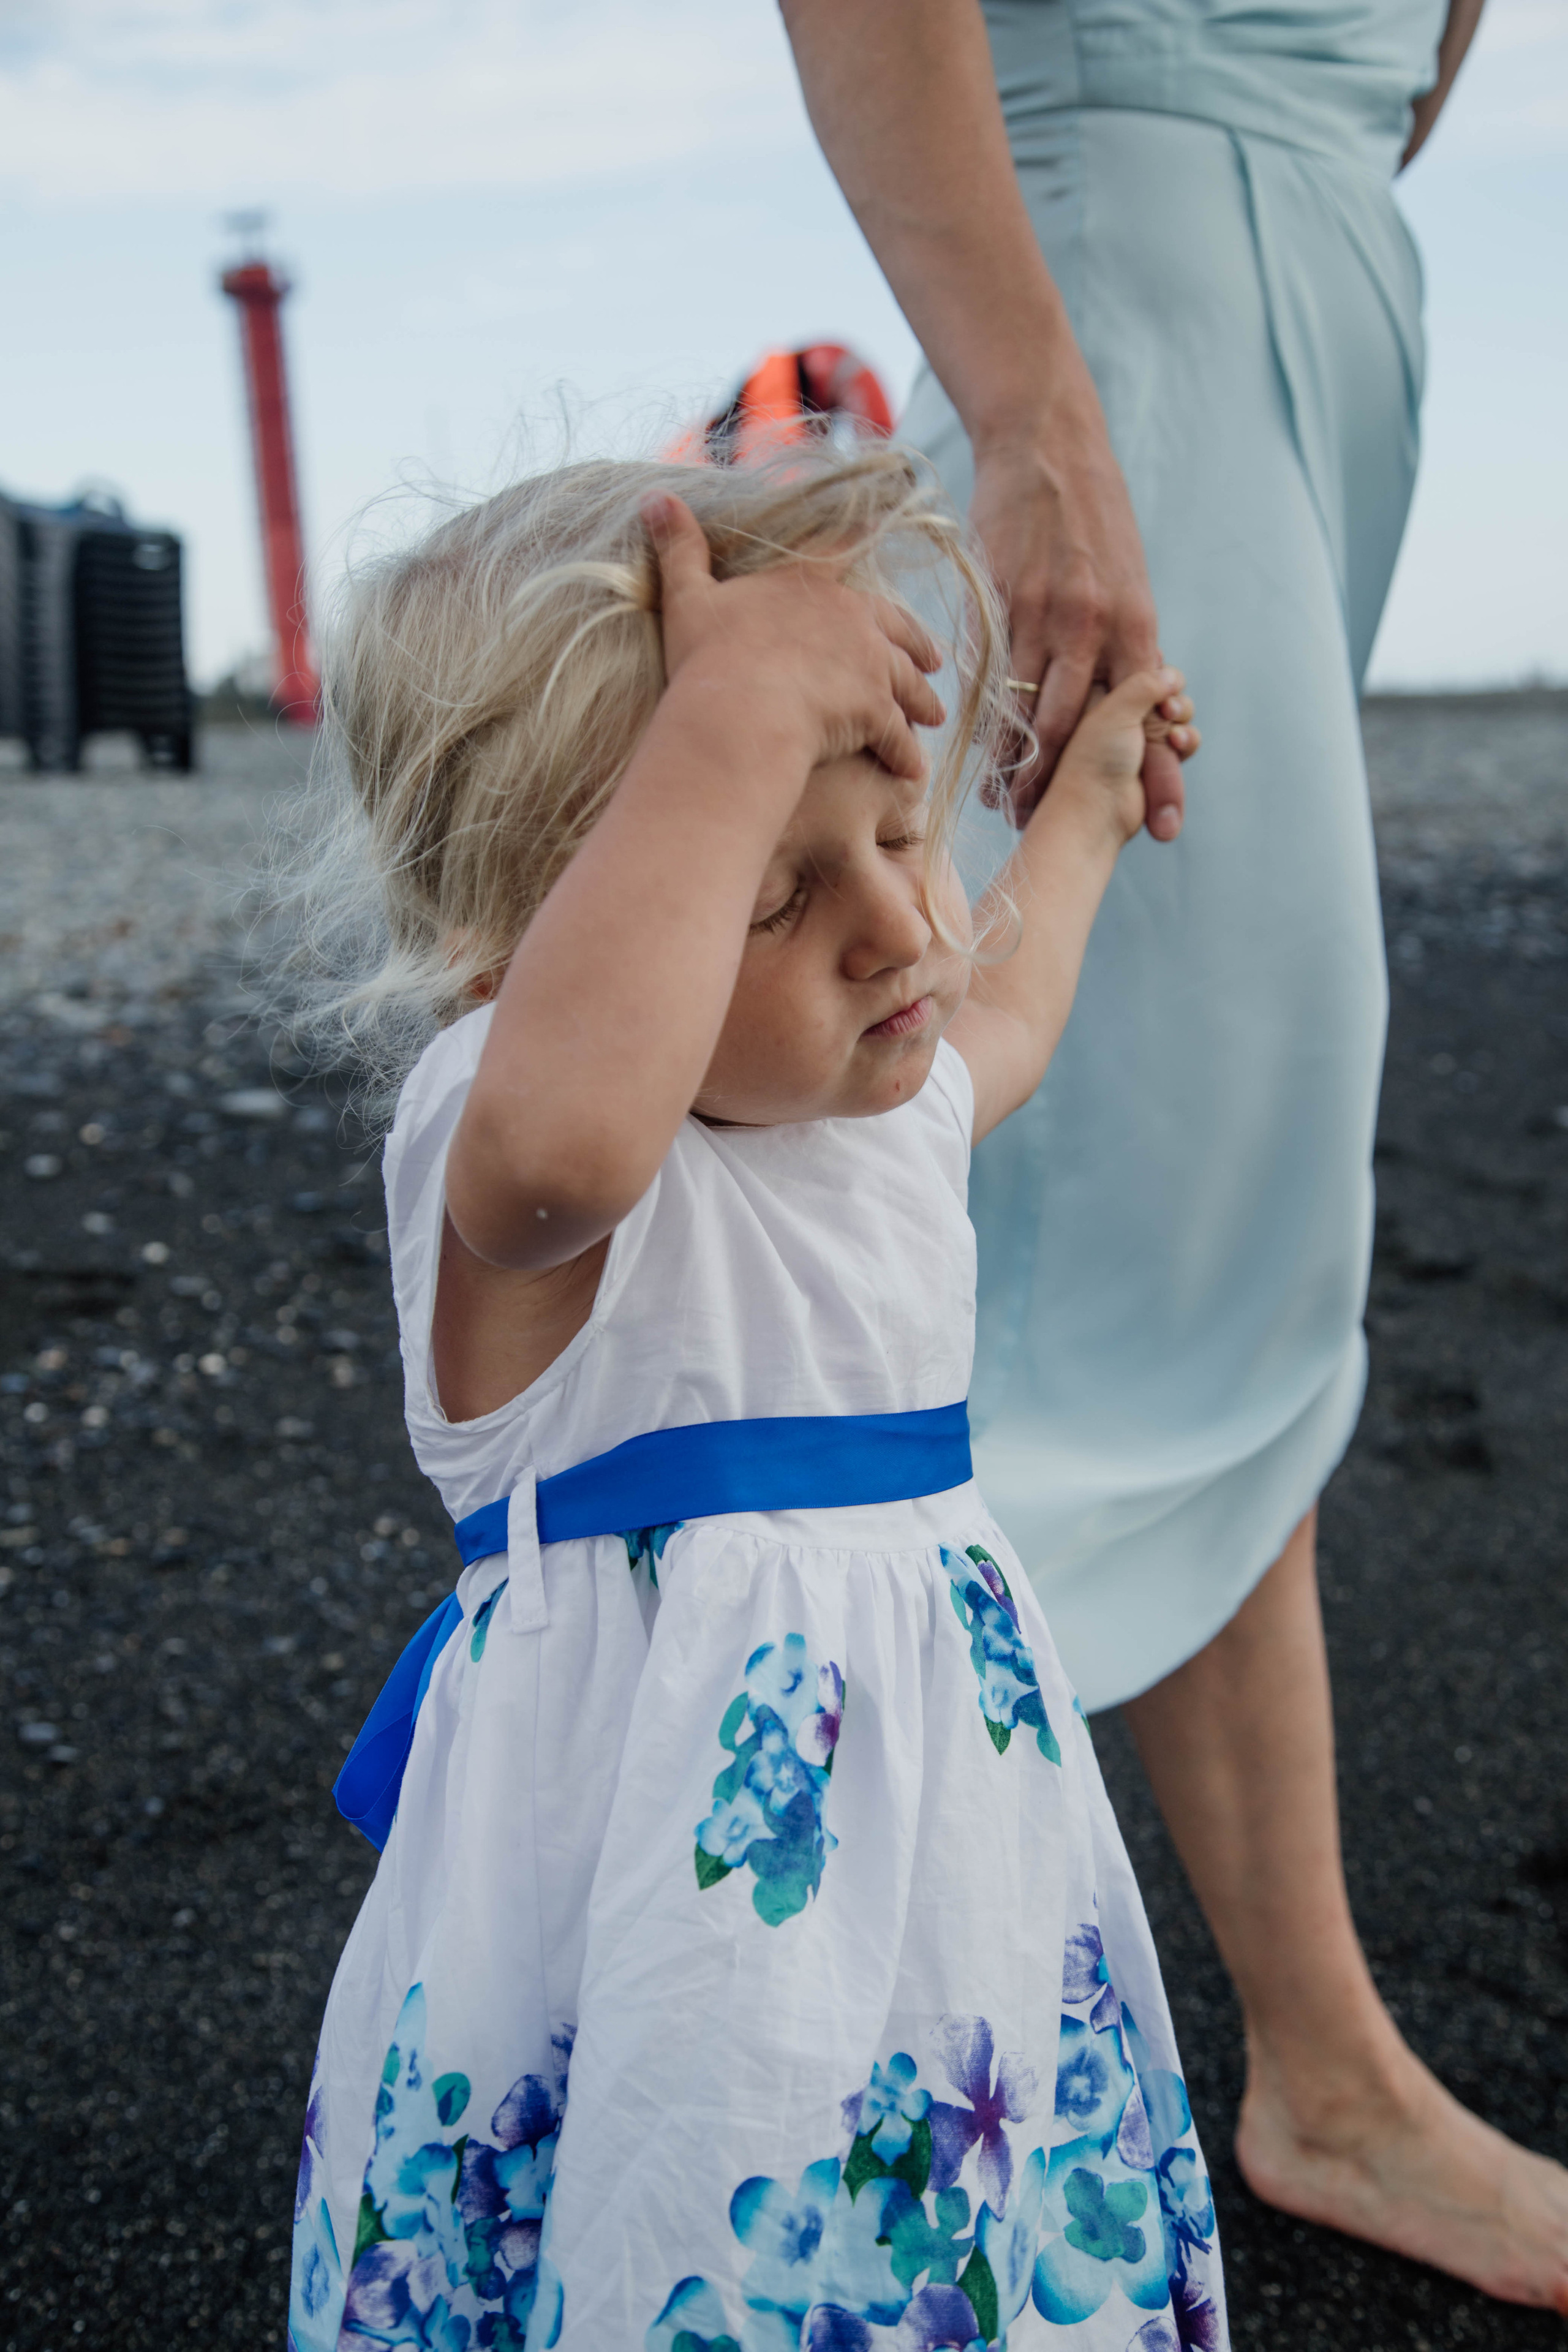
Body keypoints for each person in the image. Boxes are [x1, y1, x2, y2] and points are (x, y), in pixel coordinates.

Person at [780, 0, 1568, 2315]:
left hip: (1308, 280)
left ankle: (1222, 2061)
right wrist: (1038, 416)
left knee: (1169, 1181)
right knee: (1166, 1206)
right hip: (1131, 279)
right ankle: (1252, 2069)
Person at [285, 443, 1219, 2349]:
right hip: (654, 1913)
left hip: (934, 1861)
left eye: (897, 831)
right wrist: (724, 723)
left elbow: (1004, 1009)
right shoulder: (516, 1145)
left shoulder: (872, 1108)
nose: (896, 926)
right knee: (683, 2224)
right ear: (513, 950)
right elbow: (569, 1132)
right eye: (771, 893)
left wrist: (1091, 814)